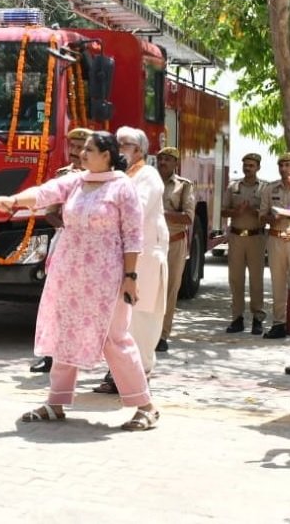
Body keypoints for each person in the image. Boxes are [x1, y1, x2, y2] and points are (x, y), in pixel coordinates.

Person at [0, 131, 159, 431]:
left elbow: (134, 237)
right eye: (82, 150)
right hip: (70, 273)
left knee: (114, 339)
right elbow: (45, 193)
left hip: (108, 277)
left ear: (106, 155)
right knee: (64, 332)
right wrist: (14, 200)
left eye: (89, 150)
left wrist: (131, 277)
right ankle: (55, 403)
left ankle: (145, 406)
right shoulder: (77, 182)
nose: (82, 154)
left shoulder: (123, 187)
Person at [92, 126, 167, 393]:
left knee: (141, 315)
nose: (118, 148)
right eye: (117, 143)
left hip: (144, 257)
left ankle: (140, 372)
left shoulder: (148, 175)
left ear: (138, 150)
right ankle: (119, 371)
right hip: (119, 257)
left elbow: (134, 210)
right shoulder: (116, 175)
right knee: (118, 316)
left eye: (123, 144)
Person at [29, 127, 93, 374]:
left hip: (93, 249)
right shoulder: (63, 176)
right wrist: (68, 228)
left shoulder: (103, 178)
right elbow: (50, 214)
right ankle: (50, 356)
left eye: (82, 147)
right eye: (73, 147)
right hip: (65, 243)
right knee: (55, 301)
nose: (76, 152)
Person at [221, 152, 267, 334]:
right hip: (237, 237)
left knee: (256, 280)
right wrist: (236, 211)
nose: (247, 168)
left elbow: (268, 214)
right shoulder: (233, 187)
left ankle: (257, 318)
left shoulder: (265, 189)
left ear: (258, 168)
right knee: (236, 280)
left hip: (256, 237)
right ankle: (237, 318)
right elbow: (223, 212)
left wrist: (254, 211)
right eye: (245, 165)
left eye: (251, 165)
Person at [260, 152, 290, 342]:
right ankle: (279, 323)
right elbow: (262, 215)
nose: (284, 168)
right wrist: (273, 218)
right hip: (276, 237)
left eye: (288, 164)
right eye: (281, 165)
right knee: (278, 282)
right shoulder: (270, 188)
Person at [157, 146, 195, 353]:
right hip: (151, 243)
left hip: (174, 243)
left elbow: (188, 217)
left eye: (168, 159)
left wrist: (161, 213)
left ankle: (162, 335)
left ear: (175, 164)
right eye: (161, 158)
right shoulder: (148, 182)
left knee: (169, 290)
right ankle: (148, 333)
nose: (163, 162)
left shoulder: (184, 186)